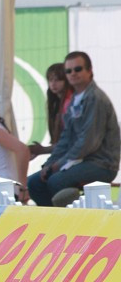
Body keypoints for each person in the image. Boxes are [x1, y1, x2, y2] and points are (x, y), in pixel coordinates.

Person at [27, 51, 120, 207]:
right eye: (68, 71)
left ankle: (72, 222)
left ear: (90, 71)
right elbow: (66, 139)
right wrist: (49, 164)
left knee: (56, 181)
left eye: (78, 69)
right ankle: (54, 223)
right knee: (34, 182)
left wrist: (57, 165)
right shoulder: (75, 99)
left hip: (102, 164)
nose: (73, 74)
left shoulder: (95, 98)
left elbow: (88, 142)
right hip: (80, 161)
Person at [29, 63, 73, 158]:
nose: (53, 84)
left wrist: (42, 150)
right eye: (50, 80)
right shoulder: (57, 104)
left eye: (58, 80)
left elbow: (70, 142)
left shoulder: (69, 104)